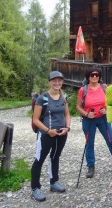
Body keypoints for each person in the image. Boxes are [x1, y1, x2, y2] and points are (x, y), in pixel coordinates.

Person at [31, 71, 71, 202]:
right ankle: (35, 188)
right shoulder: (42, 98)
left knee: (55, 157)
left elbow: (67, 114)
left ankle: (54, 182)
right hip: (46, 134)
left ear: (62, 82)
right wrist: (48, 131)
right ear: (49, 82)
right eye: (54, 80)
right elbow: (36, 119)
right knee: (39, 159)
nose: (57, 83)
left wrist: (67, 127)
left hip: (61, 133)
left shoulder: (63, 96)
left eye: (59, 80)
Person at [76, 67, 112, 179]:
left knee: (111, 141)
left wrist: (107, 109)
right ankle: (91, 166)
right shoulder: (83, 90)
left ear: (99, 77)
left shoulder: (105, 88)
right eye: (92, 75)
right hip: (88, 120)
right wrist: (85, 114)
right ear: (88, 77)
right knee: (89, 143)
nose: (94, 77)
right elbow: (78, 107)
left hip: (103, 119)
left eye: (97, 75)